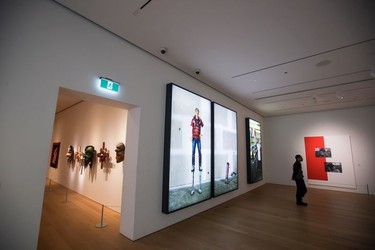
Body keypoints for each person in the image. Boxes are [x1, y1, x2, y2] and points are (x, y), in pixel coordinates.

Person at [191, 108, 204, 195]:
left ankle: (200, 165)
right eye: (196, 112)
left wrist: (201, 134)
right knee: (193, 152)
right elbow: (191, 128)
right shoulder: (192, 119)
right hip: (193, 138)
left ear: (198, 113)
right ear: (194, 112)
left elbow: (202, 125)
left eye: (197, 112)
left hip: (198, 138)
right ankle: (193, 165)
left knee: (199, 152)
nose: (196, 113)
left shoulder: (200, 120)